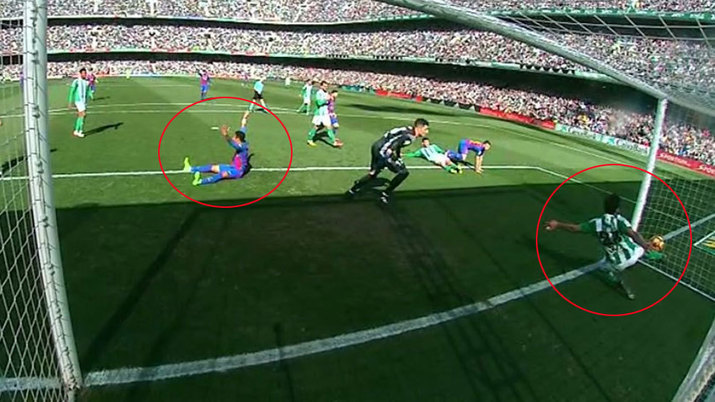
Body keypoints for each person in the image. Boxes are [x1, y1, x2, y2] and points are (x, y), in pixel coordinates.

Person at [545, 193, 663, 300]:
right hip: (633, 255)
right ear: (617, 209)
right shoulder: (620, 221)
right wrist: (645, 245)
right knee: (639, 248)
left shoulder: (596, 223)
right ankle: (657, 255)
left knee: (604, 268)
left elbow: (574, 228)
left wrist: (557, 224)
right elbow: (634, 234)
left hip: (617, 265)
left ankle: (618, 281)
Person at [346, 118, 430, 205]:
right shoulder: (410, 137)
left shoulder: (407, 129)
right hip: (384, 151)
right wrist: (392, 153)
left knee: (373, 173)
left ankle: (351, 191)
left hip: (377, 146)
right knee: (403, 172)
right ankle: (384, 195)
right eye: (425, 129)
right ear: (419, 128)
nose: (427, 132)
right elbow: (396, 143)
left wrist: (398, 155)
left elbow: (397, 141)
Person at [183, 114, 251, 186]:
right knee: (212, 167)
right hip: (231, 167)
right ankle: (190, 169)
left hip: (237, 171)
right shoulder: (242, 138)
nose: (233, 138)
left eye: (234, 137)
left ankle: (200, 181)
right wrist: (245, 117)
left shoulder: (241, 147)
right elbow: (243, 126)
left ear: (238, 138)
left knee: (223, 174)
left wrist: (226, 135)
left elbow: (231, 142)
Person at [307, 82, 342, 148]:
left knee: (329, 127)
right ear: (321, 86)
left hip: (325, 114)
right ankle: (310, 138)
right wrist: (326, 99)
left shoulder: (326, 93)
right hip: (319, 113)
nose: (326, 87)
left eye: (326, 86)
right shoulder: (319, 93)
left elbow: (329, 103)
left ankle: (334, 142)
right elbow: (319, 103)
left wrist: (332, 111)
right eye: (324, 86)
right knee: (316, 127)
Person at [67, 68, 91, 138]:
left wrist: (90, 95)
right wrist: (70, 101)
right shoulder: (76, 81)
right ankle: (80, 131)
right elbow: (72, 91)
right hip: (78, 100)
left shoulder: (86, 82)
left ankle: (76, 130)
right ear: (80, 74)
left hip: (84, 101)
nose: (85, 74)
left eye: (85, 73)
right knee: (83, 114)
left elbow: (88, 90)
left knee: (81, 116)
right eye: (83, 73)